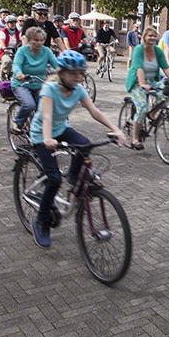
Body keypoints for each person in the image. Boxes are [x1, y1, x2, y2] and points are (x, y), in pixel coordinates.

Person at [28, 50, 126, 249]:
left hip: (62, 129)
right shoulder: (50, 89)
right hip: (42, 134)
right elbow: (46, 117)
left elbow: (94, 111)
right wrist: (47, 138)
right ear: (62, 73)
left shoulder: (78, 89)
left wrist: (115, 129)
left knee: (85, 144)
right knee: (54, 179)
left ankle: (73, 176)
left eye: (81, 73)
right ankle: (40, 222)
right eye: (74, 73)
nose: (78, 77)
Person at [126, 26, 169, 150]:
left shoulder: (157, 51)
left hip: (153, 81)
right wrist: (143, 84)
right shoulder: (138, 50)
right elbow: (139, 68)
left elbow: (166, 68)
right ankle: (135, 139)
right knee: (142, 109)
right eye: (150, 35)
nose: (152, 38)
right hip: (137, 83)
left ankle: (153, 113)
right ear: (144, 36)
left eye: (154, 36)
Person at [10, 27, 59, 133]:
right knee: (29, 104)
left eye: (41, 40)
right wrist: (19, 74)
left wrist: (65, 73)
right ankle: (18, 122)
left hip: (39, 84)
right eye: (36, 40)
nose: (39, 43)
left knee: (46, 107)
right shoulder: (22, 51)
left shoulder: (46, 51)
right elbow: (16, 65)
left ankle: (37, 129)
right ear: (29, 40)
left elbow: (56, 64)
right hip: (22, 84)